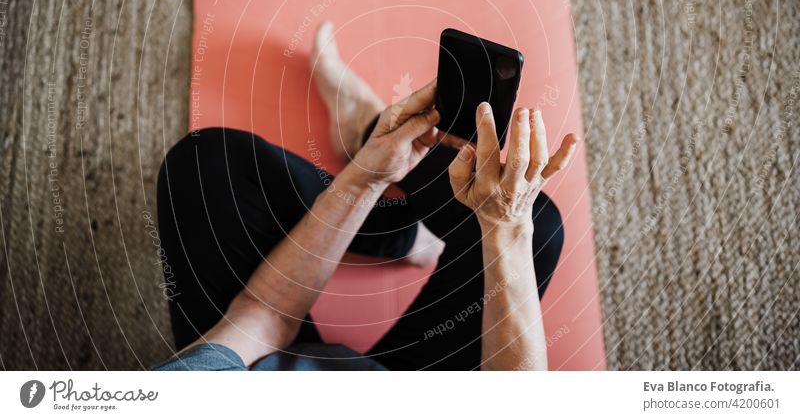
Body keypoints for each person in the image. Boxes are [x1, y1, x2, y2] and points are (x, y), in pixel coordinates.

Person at [152, 22, 578, 371]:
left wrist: (367, 177)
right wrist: (507, 227)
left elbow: (266, 317)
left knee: (207, 163)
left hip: (276, 361)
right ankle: (378, 161)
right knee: (536, 227)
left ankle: (385, 188)